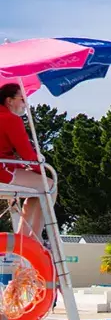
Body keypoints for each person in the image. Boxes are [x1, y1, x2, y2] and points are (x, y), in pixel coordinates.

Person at [0, 83, 56, 240]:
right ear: (9, 100)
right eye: (22, 99)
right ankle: (34, 239)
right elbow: (26, 153)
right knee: (49, 185)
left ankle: (23, 237)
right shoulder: (11, 119)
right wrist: (40, 170)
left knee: (36, 189)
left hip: (5, 168)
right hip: (2, 172)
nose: (26, 104)